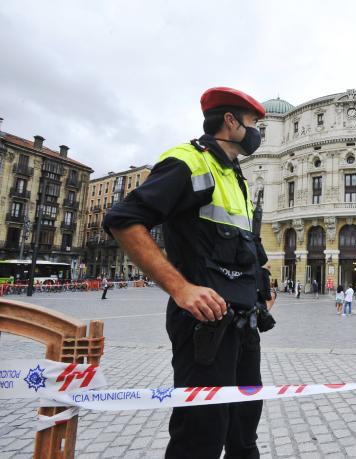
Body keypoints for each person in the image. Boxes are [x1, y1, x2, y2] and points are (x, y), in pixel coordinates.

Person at [104, 86, 276, 459]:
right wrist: (180, 288)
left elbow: (245, 244)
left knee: (245, 430)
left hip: (244, 325)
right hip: (205, 329)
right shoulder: (188, 161)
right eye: (252, 123)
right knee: (201, 436)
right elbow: (123, 220)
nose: (257, 131)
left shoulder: (235, 176)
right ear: (230, 122)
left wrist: (262, 288)